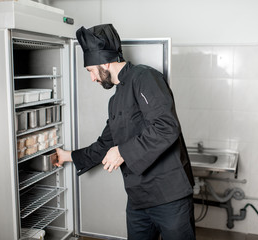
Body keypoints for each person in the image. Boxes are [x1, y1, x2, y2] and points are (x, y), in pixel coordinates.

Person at [55, 23, 196, 240]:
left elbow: (166, 127)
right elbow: (104, 145)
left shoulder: (145, 77)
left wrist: (122, 152)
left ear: (104, 62)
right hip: (138, 200)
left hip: (170, 198)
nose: (92, 78)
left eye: (91, 71)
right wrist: (68, 156)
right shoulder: (115, 101)